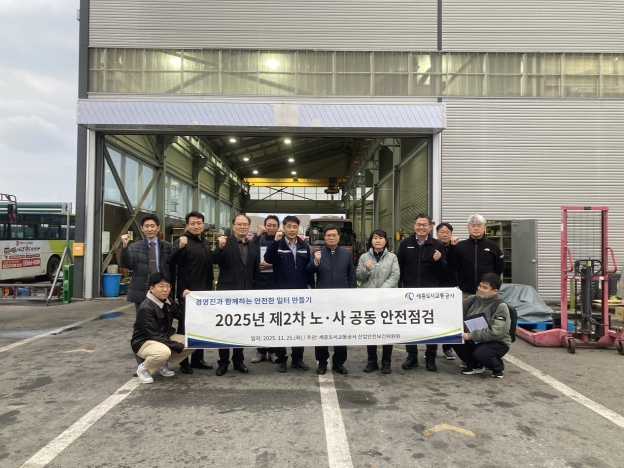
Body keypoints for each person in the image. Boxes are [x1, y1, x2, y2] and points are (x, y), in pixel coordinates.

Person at [396, 213, 446, 372]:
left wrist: (439, 260)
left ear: (430, 227)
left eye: (424, 225)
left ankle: (431, 357)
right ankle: (412, 357)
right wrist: (399, 289)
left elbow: (445, 270)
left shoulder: (437, 245)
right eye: (418, 224)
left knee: (431, 325)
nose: (421, 227)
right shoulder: (405, 244)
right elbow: (399, 267)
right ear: (414, 226)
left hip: (430, 294)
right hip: (409, 292)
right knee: (410, 325)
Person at [264, 215, 314, 372]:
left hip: (300, 293)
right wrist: (275, 242)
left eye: (295, 227)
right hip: (281, 294)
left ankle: (297, 359)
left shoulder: (304, 245)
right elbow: (268, 258)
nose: (292, 230)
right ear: (283, 228)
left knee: (299, 326)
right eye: (289, 226)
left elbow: (308, 269)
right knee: (281, 326)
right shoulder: (278, 244)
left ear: (298, 228)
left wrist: (311, 288)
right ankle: (282, 360)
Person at [211, 214, 260, 376]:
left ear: (249, 227)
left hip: (246, 294)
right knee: (225, 329)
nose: (242, 227)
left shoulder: (253, 247)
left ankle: (238, 361)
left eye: (245, 224)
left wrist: (255, 292)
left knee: (241, 329)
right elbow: (215, 259)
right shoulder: (225, 243)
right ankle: (223, 363)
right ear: (233, 226)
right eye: (239, 224)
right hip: (227, 294)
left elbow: (255, 272)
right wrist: (219, 247)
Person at [307, 224, 356, 375]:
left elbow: (351, 275)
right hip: (323, 299)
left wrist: (352, 295)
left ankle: (339, 363)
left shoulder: (346, 254)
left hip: (342, 299)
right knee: (322, 330)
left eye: (334, 235)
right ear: (324, 238)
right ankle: (322, 362)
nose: (331, 238)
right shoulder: (317, 253)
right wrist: (315, 262)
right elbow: (309, 271)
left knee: (340, 331)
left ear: (339, 237)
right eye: (328, 235)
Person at [170, 211, 214, 374]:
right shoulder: (182, 241)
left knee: (201, 327)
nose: (196, 226)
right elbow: (171, 261)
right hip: (187, 293)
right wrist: (179, 248)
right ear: (187, 225)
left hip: (204, 293)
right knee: (185, 327)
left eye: (199, 223)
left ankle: (198, 359)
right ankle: (183, 361)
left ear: (203, 224)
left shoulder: (205, 242)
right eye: (193, 223)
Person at [131, 273, 194, 384]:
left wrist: (184, 300)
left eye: (168, 286)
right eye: (161, 286)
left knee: (193, 342)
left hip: (164, 337)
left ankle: (161, 364)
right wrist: (177, 345)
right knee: (163, 352)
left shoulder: (168, 301)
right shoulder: (146, 308)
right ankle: (143, 369)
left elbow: (181, 316)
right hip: (144, 341)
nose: (165, 290)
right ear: (152, 288)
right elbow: (155, 335)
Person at [355, 229, 400, 374]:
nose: (378, 240)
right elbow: (359, 276)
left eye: (381, 238)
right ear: (371, 241)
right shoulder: (364, 257)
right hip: (369, 300)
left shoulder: (392, 257)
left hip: (387, 299)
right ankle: (371, 361)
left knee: (387, 330)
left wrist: (381, 291)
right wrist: (366, 270)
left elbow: (395, 276)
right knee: (371, 330)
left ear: (386, 241)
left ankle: (386, 362)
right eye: (375, 238)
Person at [453, 273, 511, 378]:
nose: (480, 289)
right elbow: (455, 308)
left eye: (485, 288)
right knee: (455, 339)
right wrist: (454, 295)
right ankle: (475, 365)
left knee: (482, 353)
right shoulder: (472, 299)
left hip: (496, 341)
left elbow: (496, 332)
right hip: (476, 339)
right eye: (480, 286)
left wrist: (470, 335)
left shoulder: (500, 306)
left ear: (495, 291)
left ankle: (497, 367)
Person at [120, 214, 173, 311]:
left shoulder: (168, 247)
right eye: (146, 226)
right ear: (142, 228)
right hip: (142, 289)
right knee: (143, 318)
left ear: (158, 228)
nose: (149, 229)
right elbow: (127, 265)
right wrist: (124, 247)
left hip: (162, 289)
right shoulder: (134, 247)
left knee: (164, 317)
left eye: (152, 226)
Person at [450, 214, 505, 296]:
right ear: (468, 227)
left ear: (484, 228)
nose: (476, 228)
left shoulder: (493, 246)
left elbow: (500, 266)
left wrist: (492, 282)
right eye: (473, 226)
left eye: (479, 225)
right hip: (464, 291)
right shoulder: (460, 246)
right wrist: (456, 283)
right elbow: (452, 266)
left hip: (487, 291)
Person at [250, 215, 280, 364]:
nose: (271, 228)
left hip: (275, 284)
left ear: (278, 227)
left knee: (275, 319)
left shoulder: (282, 241)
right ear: (265, 226)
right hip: (259, 284)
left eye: (274, 225)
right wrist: (257, 235)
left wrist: (272, 265)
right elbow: (249, 253)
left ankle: (273, 351)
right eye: (269, 225)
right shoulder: (259, 239)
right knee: (260, 319)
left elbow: (286, 262)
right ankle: (260, 351)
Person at [435, 222, 460, 361]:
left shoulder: (456, 247)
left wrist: (458, 284)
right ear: (437, 233)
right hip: (435, 287)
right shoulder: (432, 246)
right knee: (433, 317)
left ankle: (447, 347)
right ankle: (431, 349)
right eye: (442, 232)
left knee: (449, 318)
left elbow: (456, 267)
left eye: (448, 232)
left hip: (451, 288)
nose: (445, 235)